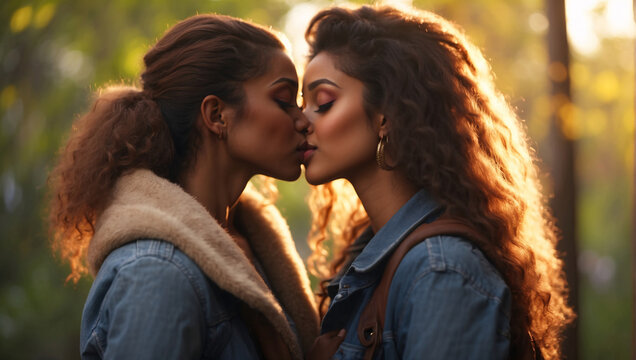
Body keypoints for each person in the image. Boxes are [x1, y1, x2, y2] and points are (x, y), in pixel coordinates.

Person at [301, 5, 574, 360]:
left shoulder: (440, 269)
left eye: (322, 102)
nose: (301, 120)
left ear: (386, 116)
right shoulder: (384, 260)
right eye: (300, 102)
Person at [47, 14, 319, 360]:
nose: (302, 119)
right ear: (217, 115)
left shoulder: (249, 251)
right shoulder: (157, 274)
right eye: (283, 100)